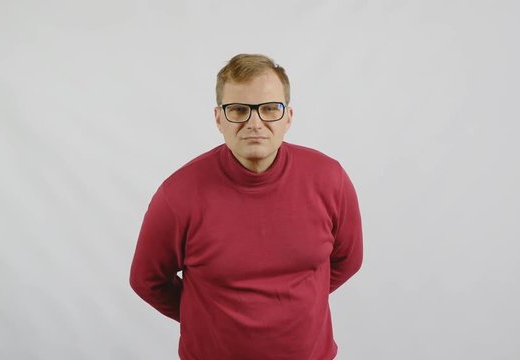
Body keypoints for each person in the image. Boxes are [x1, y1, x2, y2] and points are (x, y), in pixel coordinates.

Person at [130, 53, 363, 360]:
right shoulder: (178, 195)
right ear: (218, 118)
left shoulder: (330, 179)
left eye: (269, 109)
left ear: (288, 117)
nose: (255, 123)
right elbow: (147, 280)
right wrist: (206, 318)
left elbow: (348, 260)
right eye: (239, 110)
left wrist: (299, 305)